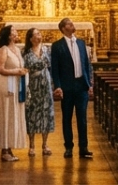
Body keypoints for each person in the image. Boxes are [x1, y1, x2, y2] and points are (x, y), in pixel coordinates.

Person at [49, 17, 94, 159]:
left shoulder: (81, 43)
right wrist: (58, 86)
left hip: (81, 85)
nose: (72, 25)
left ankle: (84, 147)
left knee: (82, 118)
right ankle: (68, 146)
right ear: (63, 28)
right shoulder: (57, 46)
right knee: (67, 118)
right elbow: (55, 69)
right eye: (69, 24)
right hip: (67, 86)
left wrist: (89, 84)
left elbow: (86, 64)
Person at [0, 24, 28, 162]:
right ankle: (4, 150)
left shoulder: (17, 49)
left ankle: (9, 148)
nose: (16, 32)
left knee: (13, 115)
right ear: (8, 35)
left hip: (16, 84)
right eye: (13, 31)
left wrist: (22, 71)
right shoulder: (3, 49)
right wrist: (16, 72)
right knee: (5, 114)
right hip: (6, 84)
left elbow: (18, 66)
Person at [22, 28, 55, 156]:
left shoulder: (47, 49)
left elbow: (51, 65)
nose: (39, 36)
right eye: (36, 34)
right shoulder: (25, 52)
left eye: (40, 33)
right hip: (32, 83)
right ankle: (31, 145)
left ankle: (45, 144)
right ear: (30, 38)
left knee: (46, 113)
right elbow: (24, 67)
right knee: (32, 113)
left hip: (45, 83)